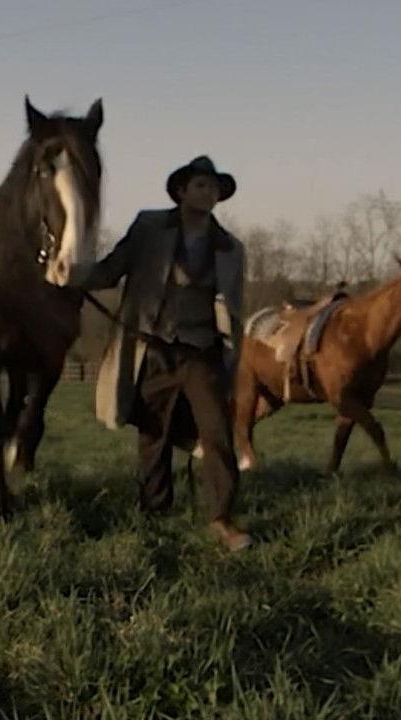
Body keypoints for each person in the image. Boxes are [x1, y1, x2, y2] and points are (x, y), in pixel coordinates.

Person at [68, 156, 252, 551]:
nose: (208, 193)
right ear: (181, 191)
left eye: (214, 188)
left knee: (217, 433)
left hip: (202, 352)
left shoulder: (231, 249)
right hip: (153, 347)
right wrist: (70, 275)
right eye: (200, 185)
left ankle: (221, 518)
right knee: (154, 432)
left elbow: (234, 310)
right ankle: (154, 510)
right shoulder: (150, 228)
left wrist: (230, 357)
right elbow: (111, 269)